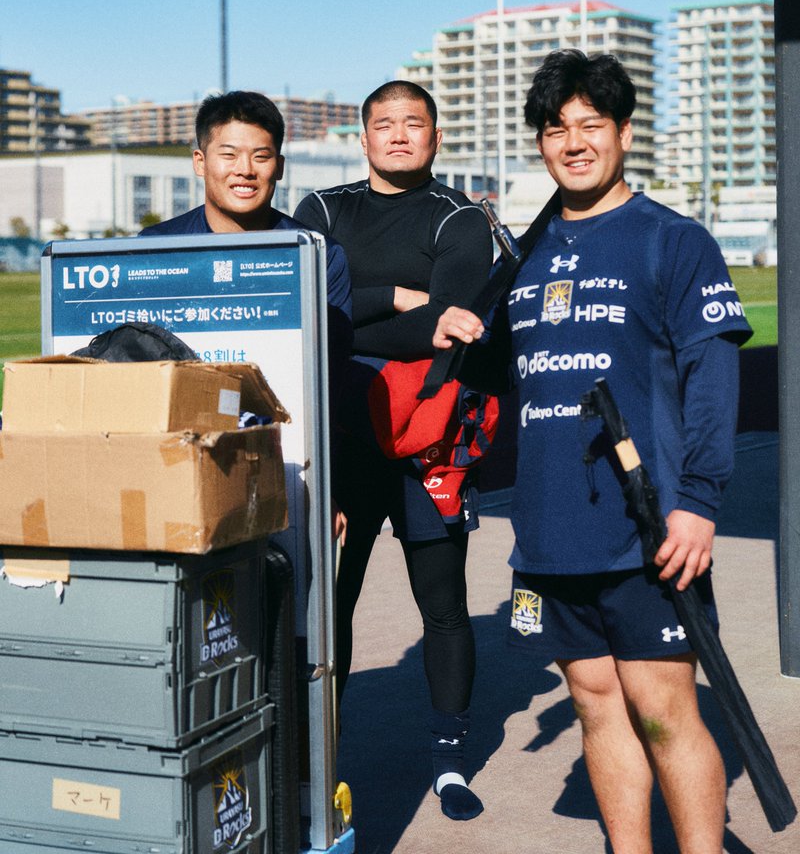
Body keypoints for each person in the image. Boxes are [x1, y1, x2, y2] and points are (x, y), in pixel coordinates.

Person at [432, 49, 752, 854]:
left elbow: (714, 378)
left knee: (663, 708)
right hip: (549, 529)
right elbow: (509, 375)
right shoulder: (523, 257)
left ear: (623, 133)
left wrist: (702, 502)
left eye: (590, 125)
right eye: (556, 128)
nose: (573, 142)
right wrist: (458, 334)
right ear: (541, 143)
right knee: (597, 703)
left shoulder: (670, 240)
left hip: (648, 524)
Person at [294, 80, 494, 821]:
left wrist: (372, 307)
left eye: (415, 124)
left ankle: (449, 761)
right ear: (364, 136)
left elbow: (451, 327)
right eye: (385, 124)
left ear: (436, 137)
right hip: (341, 442)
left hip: (424, 442)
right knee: (328, 606)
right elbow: (312, 315)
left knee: (442, 605)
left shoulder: (460, 219)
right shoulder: (321, 210)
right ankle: (317, 756)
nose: (400, 135)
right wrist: (402, 300)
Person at [140, 90, 352, 416]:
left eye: (261, 156)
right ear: (200, 162)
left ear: (279, 167)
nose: (245, 170)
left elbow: (330, 376)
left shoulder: (318, 255)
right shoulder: (155, 248)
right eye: (229, 154)